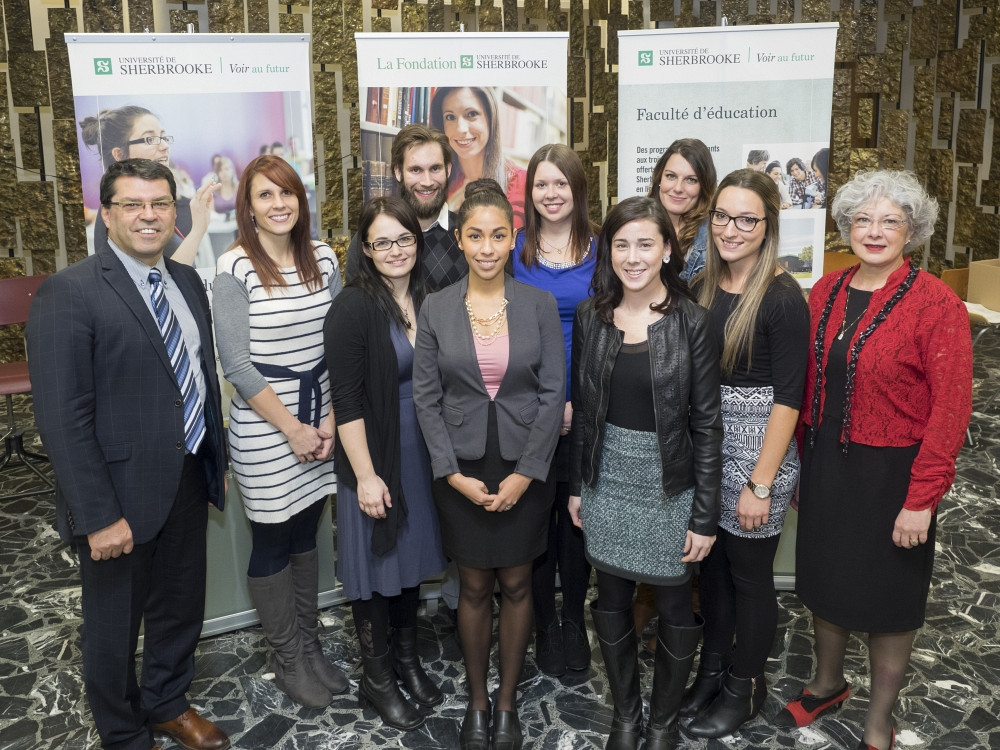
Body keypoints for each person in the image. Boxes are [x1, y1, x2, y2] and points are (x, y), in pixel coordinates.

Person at [27, 159, 230, 750]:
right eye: (134, 205)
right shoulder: (70, 292)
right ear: (107, 214)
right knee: (114, 628)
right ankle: (121, 731)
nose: (149, 216)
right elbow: (62, 418)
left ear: (175, 211)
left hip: (188, 476)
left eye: (161, 204)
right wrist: (96, 514)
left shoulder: (187, 282)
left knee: (179, 606)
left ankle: (167, 701)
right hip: (117, 496)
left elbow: (190, 379)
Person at [777, 170, 972, 750]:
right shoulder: (827, 291)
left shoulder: (937, 303)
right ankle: (827, 682)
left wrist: (922, 500)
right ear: (846, 227)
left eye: (891, 220)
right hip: (827, 464)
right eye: (863, 219)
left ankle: (879, 719)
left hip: (894, 476)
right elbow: (806, 386)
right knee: (825, 581)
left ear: (913, 230)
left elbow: (951, 410)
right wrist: (794, 464)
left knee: (890, 601)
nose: (875, 231)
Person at [413, 179, 564, 750]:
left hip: (525, 463)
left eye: (498, 235)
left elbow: (553, 393)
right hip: (461, 466)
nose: (486, 246)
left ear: (512, 239)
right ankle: (477, 701)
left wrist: (528, 471)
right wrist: (451, 474)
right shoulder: (435, 307)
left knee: (520, 581)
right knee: (473, 585)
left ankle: (506, 705)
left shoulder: (539, 304)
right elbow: (426, 399)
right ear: (459, 238)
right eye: (475, 235)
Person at [568, 196, 722, 750]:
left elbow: (707, 424)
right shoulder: (591, 316)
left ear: (667, 250)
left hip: (670, 482)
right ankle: (626, 717)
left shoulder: (693, 322)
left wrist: (704, 516)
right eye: (622, 244)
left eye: (646, 244)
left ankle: (662, 723)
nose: (633, 257)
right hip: (605, 477)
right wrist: (578, 486)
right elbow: (583, 409)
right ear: (608, 251)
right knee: (609, 598)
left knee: (676, 602)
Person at [679, 169, 809, 739]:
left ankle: (745, 687)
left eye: (747, 219)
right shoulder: (704, 283)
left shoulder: (782, 297)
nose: (732, 229)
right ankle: (712, 672)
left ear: (768, 225)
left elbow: (789, 400)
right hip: (710, 445)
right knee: (712, 575)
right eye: (723, 216)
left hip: (760, 452)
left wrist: (760, 483)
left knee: (750, 577)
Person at [213, 155, 347, 708]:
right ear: (248, 205)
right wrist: (293, 428)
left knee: (305, 532)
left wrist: (331, 420)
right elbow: (236, 364)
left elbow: (342, 339)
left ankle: (311, 648)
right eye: (265, 195)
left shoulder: (323, 256)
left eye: (287, 193)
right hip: (268, 425)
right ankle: (287, 657)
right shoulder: (234, 267)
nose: (279, 205)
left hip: (323, 417)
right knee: (272, 537)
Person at [324, 196, 448, 731]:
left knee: (411, 563)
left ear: (416, 244)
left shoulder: (432, 296)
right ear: (366, 249)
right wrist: (366, 475)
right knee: (377, 570)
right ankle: (377, 679)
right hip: (373, 453)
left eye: (404, 239)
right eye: (382, 242)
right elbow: (346, 401)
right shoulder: (351, 308)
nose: (395, 250)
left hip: (422, 452)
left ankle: (406, 660)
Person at [513, 144, 598, 677]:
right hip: (527, 406)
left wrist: (577, 402)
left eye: (560, 184)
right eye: (542, 185)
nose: (551, 194)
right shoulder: (515, 248)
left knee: (577, 520)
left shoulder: (603, 246)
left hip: (592, 405)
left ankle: (572, 621)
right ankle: (544, 624)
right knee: (537, 521)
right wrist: (548, 404)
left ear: (577, 189)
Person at [78, 105, 218, 265]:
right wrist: (198, 230)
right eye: (150, 139)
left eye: (163, 137)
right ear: (119, 154)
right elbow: (164, 280)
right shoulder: (122, 212)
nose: (165, 146)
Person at [346, 124, 467, 292]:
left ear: (448, 170)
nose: (427, 182)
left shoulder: (469, 236)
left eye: (435, 168)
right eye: (416, 170)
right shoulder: (370, 240)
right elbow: (355, 306)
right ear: (398, 172)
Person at [429, 87, 528, 229]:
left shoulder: (526, 183)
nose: (460, 129)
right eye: (450, 117)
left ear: (490, 118)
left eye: (471, 114)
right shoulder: (435, 183)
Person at [647, 138, 717, 281]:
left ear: (704, 186)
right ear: (659, 179)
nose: (678, 188)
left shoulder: (716, 236)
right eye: (671, 176)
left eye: (691, 180)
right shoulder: (635, 225)